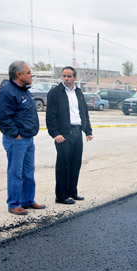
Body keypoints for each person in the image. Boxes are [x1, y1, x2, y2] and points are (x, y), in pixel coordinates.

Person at [0, 60, 46, 215]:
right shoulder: (7, 92)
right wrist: (15, 135)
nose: (32, 75)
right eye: (29, 72)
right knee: (15, 173)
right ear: (19, 74)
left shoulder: (25, 91)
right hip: (16, 140)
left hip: (29, 139)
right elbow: (2, 117)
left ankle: (28, 200)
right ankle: (14, 203)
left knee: (28, 171)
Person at [46, 66, 93, 204]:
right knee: (63, 165)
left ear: (75, 78)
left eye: (69, 76)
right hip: (64, 134)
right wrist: (55, 134)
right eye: (64, 76)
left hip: (77, 132)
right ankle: (61, 196)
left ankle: (72, 192)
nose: (66, 79)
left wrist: (88, 131)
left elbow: (84, 113)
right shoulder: (55, 93)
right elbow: (50, 116)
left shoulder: (78, 93)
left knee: (75, 164)